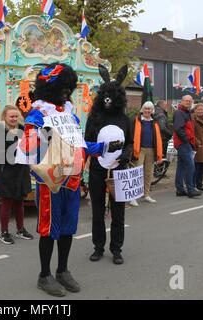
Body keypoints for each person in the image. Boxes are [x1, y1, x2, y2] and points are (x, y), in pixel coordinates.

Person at [17, 63, 122, 297]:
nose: (66, 92)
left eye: (68, 88)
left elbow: (80, 146)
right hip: (51, 183)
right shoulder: (37, 114)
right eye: (62, 88)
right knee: (48, 229)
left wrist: (104, 147)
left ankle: (62, 270)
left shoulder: (70, 115)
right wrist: (44, 136)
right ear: (50, 89)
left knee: (67, 229)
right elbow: (29, 149)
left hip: (73, 181)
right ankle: (44, 275)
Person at [85, 64, 133, 265]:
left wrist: (125, 155)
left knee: (118, 211)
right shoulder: (94, 118)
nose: (107, 99)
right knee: (97, 210)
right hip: (98, 169)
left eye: (111, 95)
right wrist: (99, 151)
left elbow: (130, 142)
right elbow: (86, 142)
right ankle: (98, 246)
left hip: (119, 170)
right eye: (105, 94)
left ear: (117, 97)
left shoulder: (125, 119)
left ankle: (116, 249)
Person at [0, 105, 33, 245]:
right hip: (6, 172)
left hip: (21, 171)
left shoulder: (23, 129)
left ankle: (20, 229)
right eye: (11, 116)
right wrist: (15, 150)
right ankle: (4, 232)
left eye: (16, 116)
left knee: (20, 202)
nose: (14, 119)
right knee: (7, 202)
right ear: (5, 117)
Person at [130, 101, 163, 206]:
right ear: (142, 110)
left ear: (152, 110)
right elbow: (130, 134)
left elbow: (158, 138)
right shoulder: (136, 120)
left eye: (149, 109)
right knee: (136, 173)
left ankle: (146, 194)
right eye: (145, 108)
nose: (147, 111)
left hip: (151, 150)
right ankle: (133, 197)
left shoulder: (155, 122)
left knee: (149, 173)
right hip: (138, 150)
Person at [173, 95, 202, 198]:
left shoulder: (186, 112)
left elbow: (188, 129)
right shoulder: (180, 112)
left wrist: (192, 140)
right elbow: (178, 128)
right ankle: (190, 189)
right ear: (182, 101)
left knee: (181, 166)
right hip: (183, 143)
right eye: (186, 100)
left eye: (190, 101)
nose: (188, 102)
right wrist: (187, 140)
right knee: (190, 165)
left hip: (184, 142)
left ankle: (180, 189)